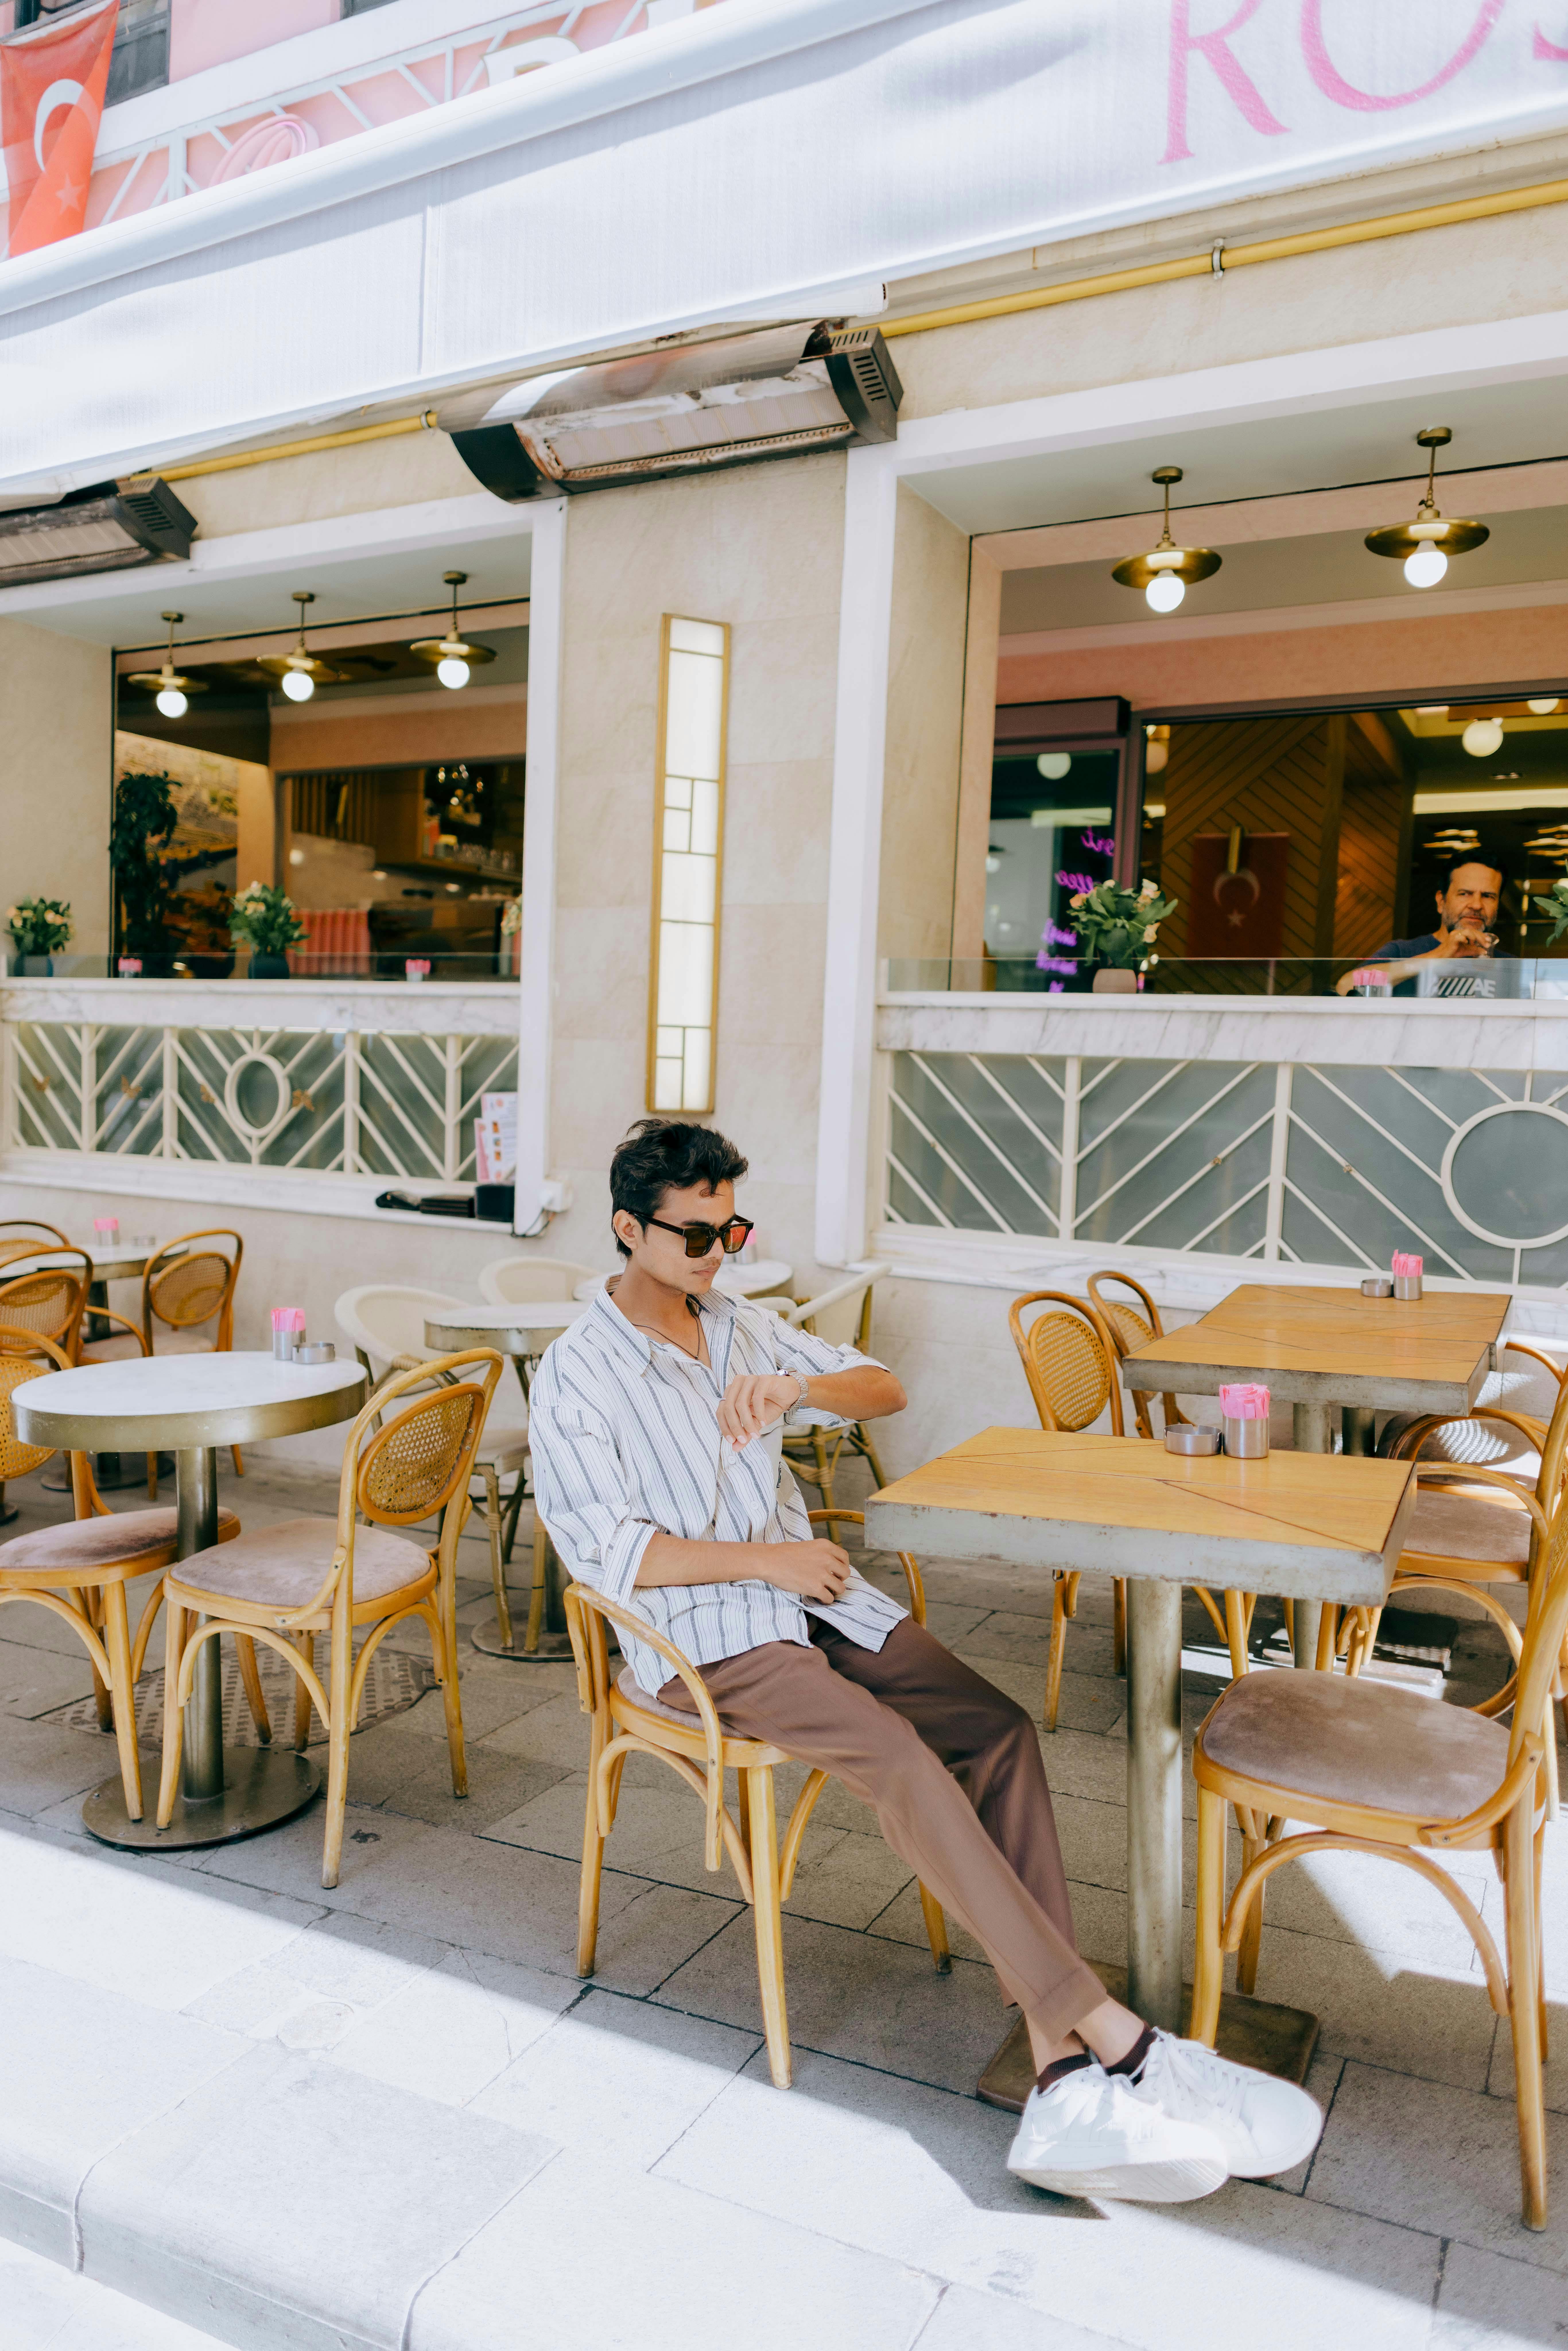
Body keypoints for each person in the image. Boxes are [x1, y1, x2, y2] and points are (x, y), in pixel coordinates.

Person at [528, 1116, 1323, 2202]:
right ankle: (1121, 2043)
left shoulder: (741, 1324)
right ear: (629, 1229)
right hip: (701, 1635)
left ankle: (1056, 2073)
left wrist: (795, 1389)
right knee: (899, 1757)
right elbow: (612, 1553)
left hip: (815, 1600)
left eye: (732, 1231)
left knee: (996, 1730)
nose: (719, 1253)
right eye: (697, 1236)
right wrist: (766, 1559)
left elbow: (881, 1383)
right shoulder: (577, 1372)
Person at [1334, 858, 1503, 996]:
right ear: (1441, 902)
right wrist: (1439, 954)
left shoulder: (1510, 965)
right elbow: (1345, 987)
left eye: (1488, 896)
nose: (1476, 905)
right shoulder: (1401, 952)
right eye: (1465, 894)